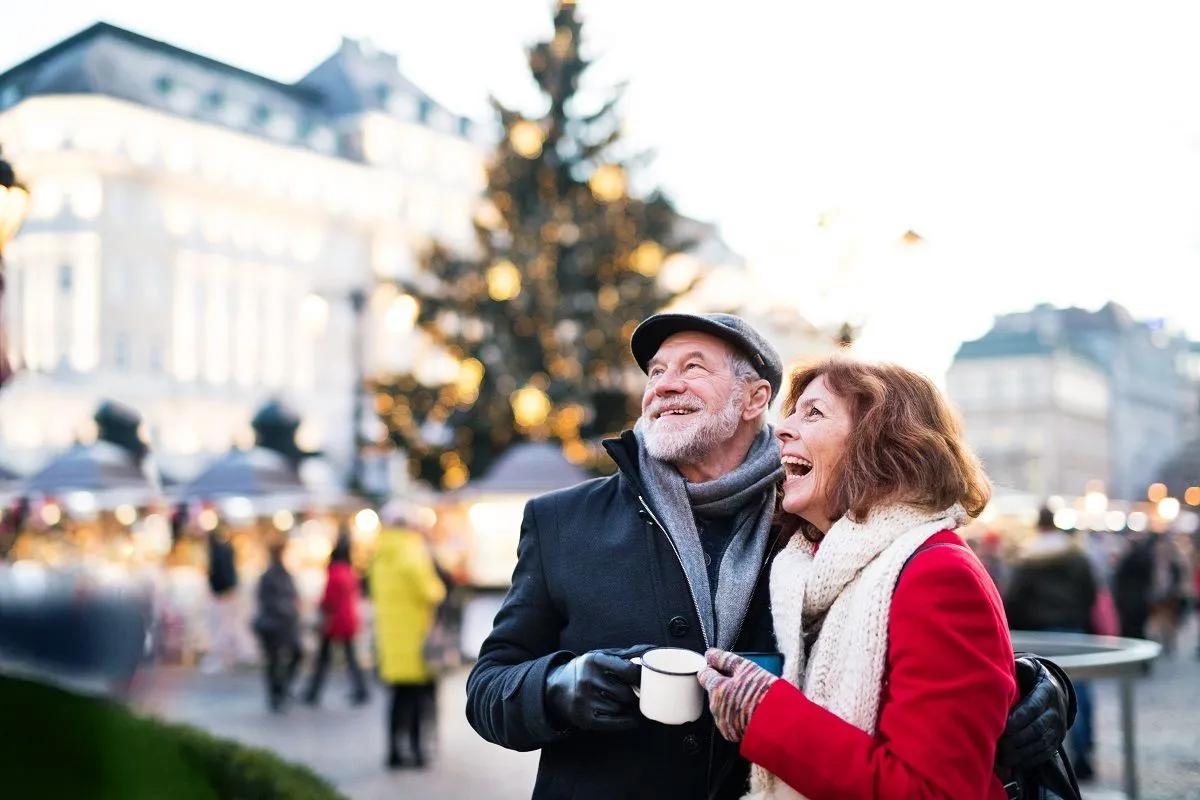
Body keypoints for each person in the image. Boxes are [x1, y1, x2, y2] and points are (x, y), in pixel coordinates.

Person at [466, 312, 1072, 800]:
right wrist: (555, 687)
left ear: (755, 398)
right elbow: (489, 686)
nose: (664, 385)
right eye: (655, 371)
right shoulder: (561, 522)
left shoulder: (814, 520)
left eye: (692, 367)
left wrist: (1039, 687)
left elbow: (924, 644)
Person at [698, 356, 1021, 799]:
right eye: (791, 413)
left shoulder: (939, 576)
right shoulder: (804, 572)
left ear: (882, 444)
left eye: (813, 413)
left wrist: (768, 715)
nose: (783, 430)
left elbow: (933, 791)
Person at [1003, 507, 1099, 781]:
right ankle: (1084, 753)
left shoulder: (1027, 556)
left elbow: (1016, 597)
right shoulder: (1075, 554)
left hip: (1038, 634)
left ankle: (1053, 758)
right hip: (1072, 628)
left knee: (1045, 695)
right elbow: (1090, 590)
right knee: (1079, 691)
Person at [370, 505, 447, 769]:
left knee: (396, 698)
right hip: (415, 637)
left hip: (390, 640)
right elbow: (432, 592)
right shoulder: (412, 552)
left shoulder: (379, 555)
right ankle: (416, 752)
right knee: (416, 698)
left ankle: (393, 751)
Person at [303, 529, 369, 706]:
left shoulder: (335, 573)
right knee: (350, 658)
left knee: (324, 658)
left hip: (334, 621)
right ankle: (361, 689)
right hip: (348, 619)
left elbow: (328, 599)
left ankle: (312, 692)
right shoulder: (349, 572)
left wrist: (320, 611)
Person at [253, 535, 302, 712]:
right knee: (274, 661)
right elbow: (266, 600)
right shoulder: (270, 576)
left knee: (291, 656)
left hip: (285, 624)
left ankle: (281, 689)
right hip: (275, 624)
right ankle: (276, 694)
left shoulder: (283, 574)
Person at [205, 523, 240, 673]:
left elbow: (219, 572)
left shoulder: (218, 551)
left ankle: (224, 658)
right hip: (225, 591)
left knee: (221, 627)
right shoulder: (227, 549)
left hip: (222, 593)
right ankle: (227, 657)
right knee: (225, 626)